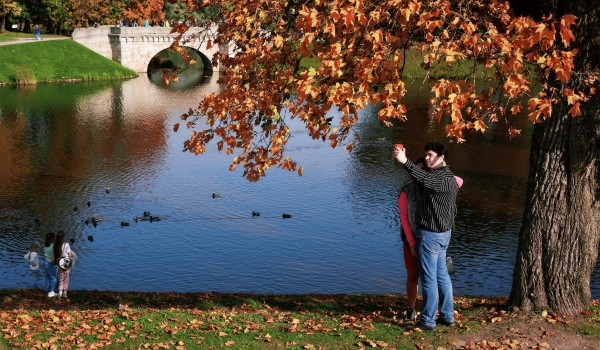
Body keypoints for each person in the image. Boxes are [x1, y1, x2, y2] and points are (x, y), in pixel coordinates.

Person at [393, 141, 459, 331]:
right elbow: (421, 178)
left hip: (431, 236)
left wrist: (405, 161)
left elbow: (424, 178)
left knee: (429, 279)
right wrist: (404, 162)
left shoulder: (443, 179)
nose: (427, 158)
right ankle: (447, 316)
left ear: (442, 157)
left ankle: (428, 320)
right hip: (441, 235)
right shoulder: (444, 177)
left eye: (430, 155)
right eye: (427, 155)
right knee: (442, 276)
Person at [398, 157, 426, 322]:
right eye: (416, 169)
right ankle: (411, 309)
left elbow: (458, 181)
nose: (418, 172)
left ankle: (430, 309)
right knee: (413, 274)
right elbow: (403, 217)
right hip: (411, 240)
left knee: (431, 276)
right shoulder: (406, 190)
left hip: (432, 240)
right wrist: (412, 243)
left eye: (423, 169)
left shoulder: (435, 187)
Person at [54, 231, 75, 298]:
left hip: (60, 262)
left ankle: (60, 291)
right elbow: (69, 254)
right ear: (63, 237)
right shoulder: (66, 244)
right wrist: (72, 255)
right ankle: (65, 292)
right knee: (66, 277)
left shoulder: (56, 245)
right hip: (66, 262)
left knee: (61, 277)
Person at [42, 232, 58, 297]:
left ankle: (46, 289)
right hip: (49, 263)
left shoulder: (46, 245)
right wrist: (55, 263)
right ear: (52, 239)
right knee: (54, 278)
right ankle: (51, 292)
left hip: (45, 262)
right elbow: (53, 256)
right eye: (54, 238)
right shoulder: (52, 246)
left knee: (47, 277)